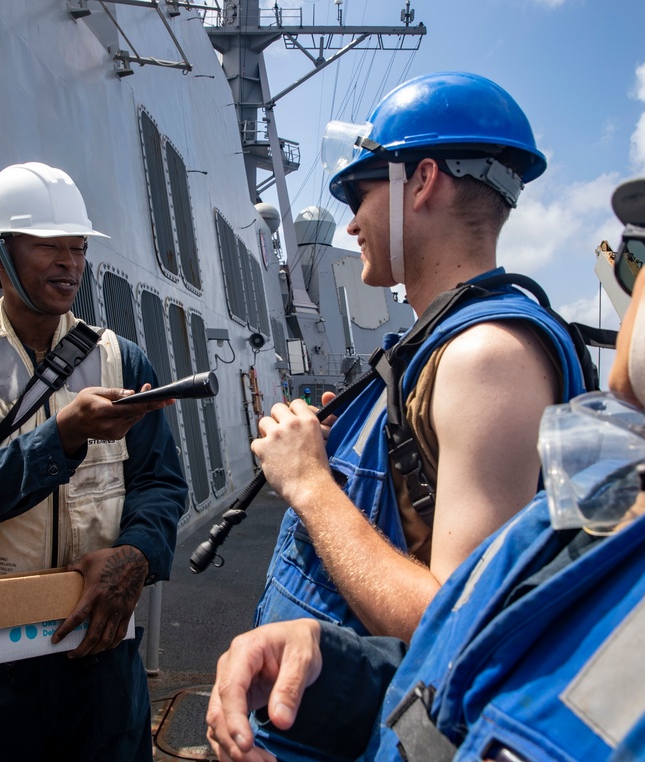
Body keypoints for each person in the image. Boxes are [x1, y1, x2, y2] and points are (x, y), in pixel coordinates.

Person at [207, 64, 645, 761]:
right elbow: (479, 674)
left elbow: (440, 615)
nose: (621, 281)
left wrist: (310, 485)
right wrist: (328, 669)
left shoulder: (487, 353)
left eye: (642, 255)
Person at [252, 72, 588, 645]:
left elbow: (455, 630)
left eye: (360, 194)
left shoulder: (487, 358)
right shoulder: (434, 347)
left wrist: (308, 482)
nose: (352, 222)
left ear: (422, 182)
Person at [0, 162, 188, 760]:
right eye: (48, 246)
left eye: (79, 248)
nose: (70, 263)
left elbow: (160, 482)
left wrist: (135, 557)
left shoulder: (123, 358)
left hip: (99, 640)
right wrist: (63, 434)